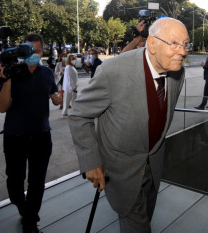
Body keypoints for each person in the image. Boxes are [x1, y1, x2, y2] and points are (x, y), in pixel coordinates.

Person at [69, 17, 189, 232]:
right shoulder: (113, 71)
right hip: (120, 172)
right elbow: (78, 114)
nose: (183, 51)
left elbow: (157, 116)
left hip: (154, 168)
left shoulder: (177, 74)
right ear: (152, 44)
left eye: (186, 44)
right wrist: (90, 160)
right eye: (174, 44)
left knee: (145, 219)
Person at [0, 33, 62, 233]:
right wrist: (7, 80)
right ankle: (23, 207)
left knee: (37, 182)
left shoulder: (47, 72)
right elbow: (1, 107)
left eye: (37, 50)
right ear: (22, 51)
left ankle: (30, 222)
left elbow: (53, 94)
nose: (33, 54)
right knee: (15, 184)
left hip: (41, 135)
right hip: (15, 136)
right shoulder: (12, 72)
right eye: (29, 50)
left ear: (43, 51)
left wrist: (56, 99)